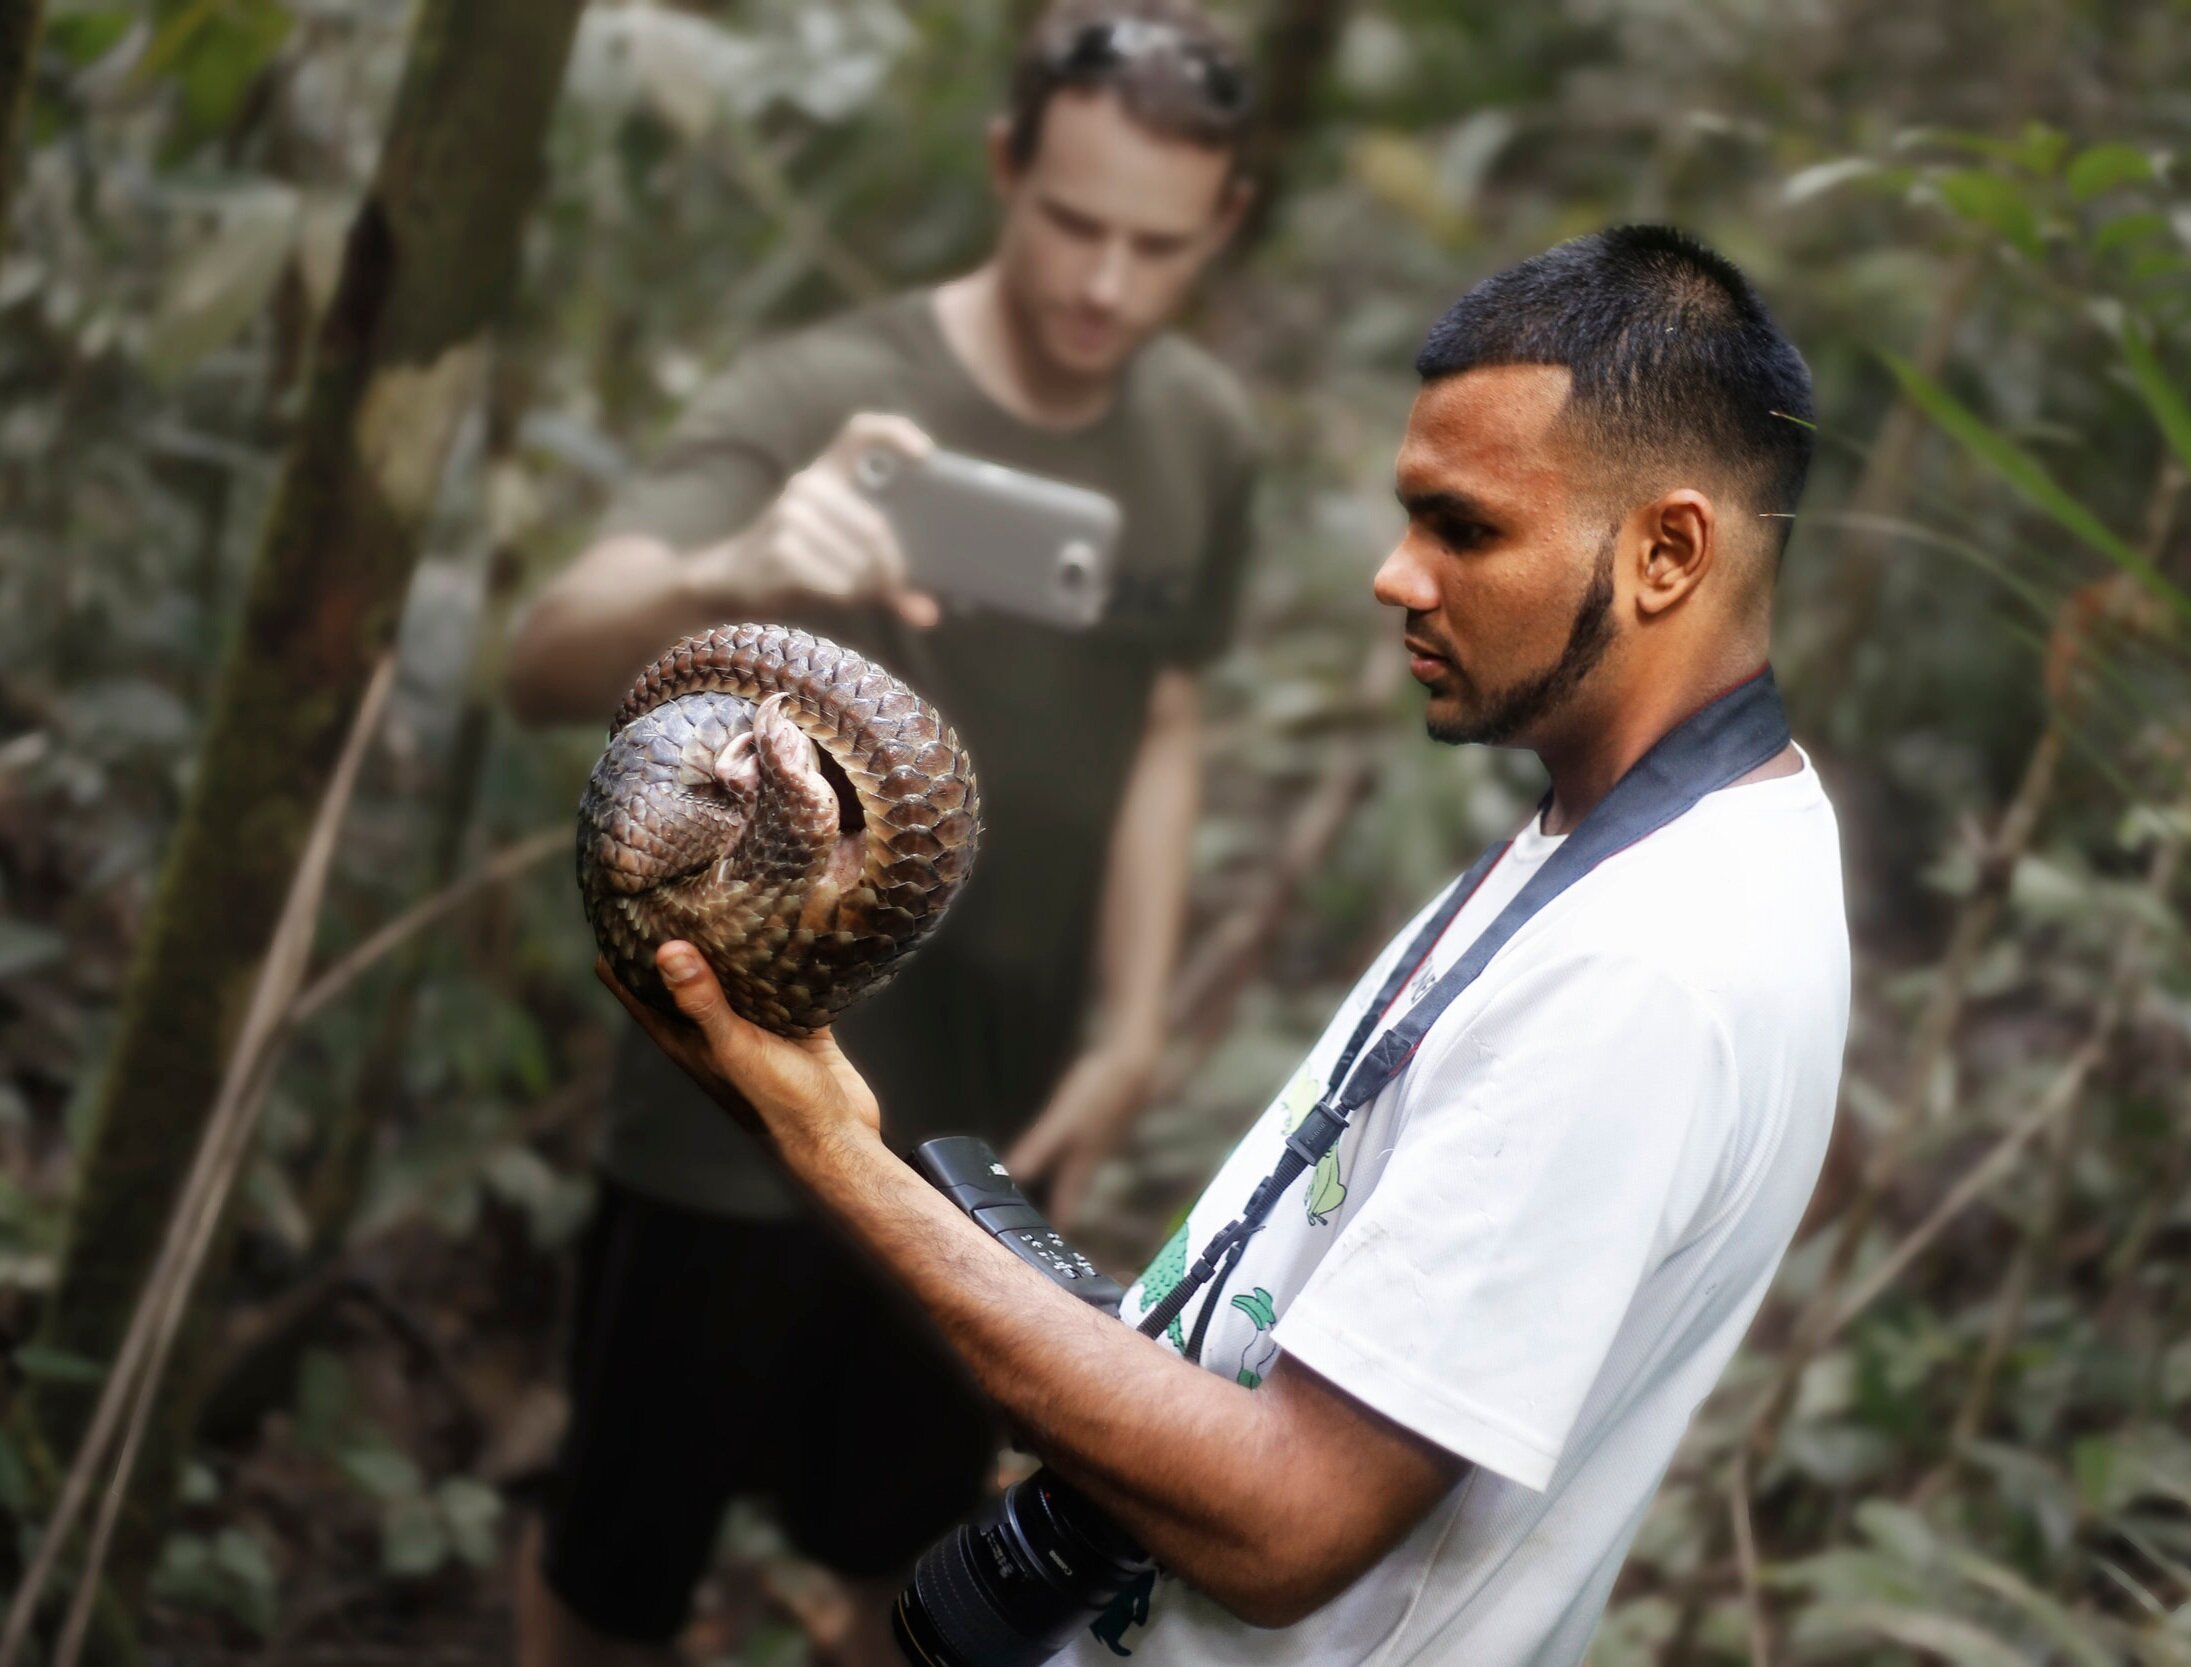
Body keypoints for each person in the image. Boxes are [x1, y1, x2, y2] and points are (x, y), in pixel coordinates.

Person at [606, 224, 1852, 1667]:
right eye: (1409, 517)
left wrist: (828, 1152)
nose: (1396, 575)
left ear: (1667, 551)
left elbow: (1279, 1527)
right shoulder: (1637, 837)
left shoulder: (1645, 967)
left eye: (1464, 528)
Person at [503, 5, 1260, 1663]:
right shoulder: (829, 389)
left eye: (1155, 243)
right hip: (732, 1106)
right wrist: (733, 566)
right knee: (617, 1553)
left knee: (912, 1569)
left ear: (1225, 223)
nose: (1102, 286)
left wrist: (1135, 1021)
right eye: (1071, 221)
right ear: (1003, 167)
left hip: (973, 1139)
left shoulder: (1202, 435)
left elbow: (1167, 721)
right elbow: (547, 647)